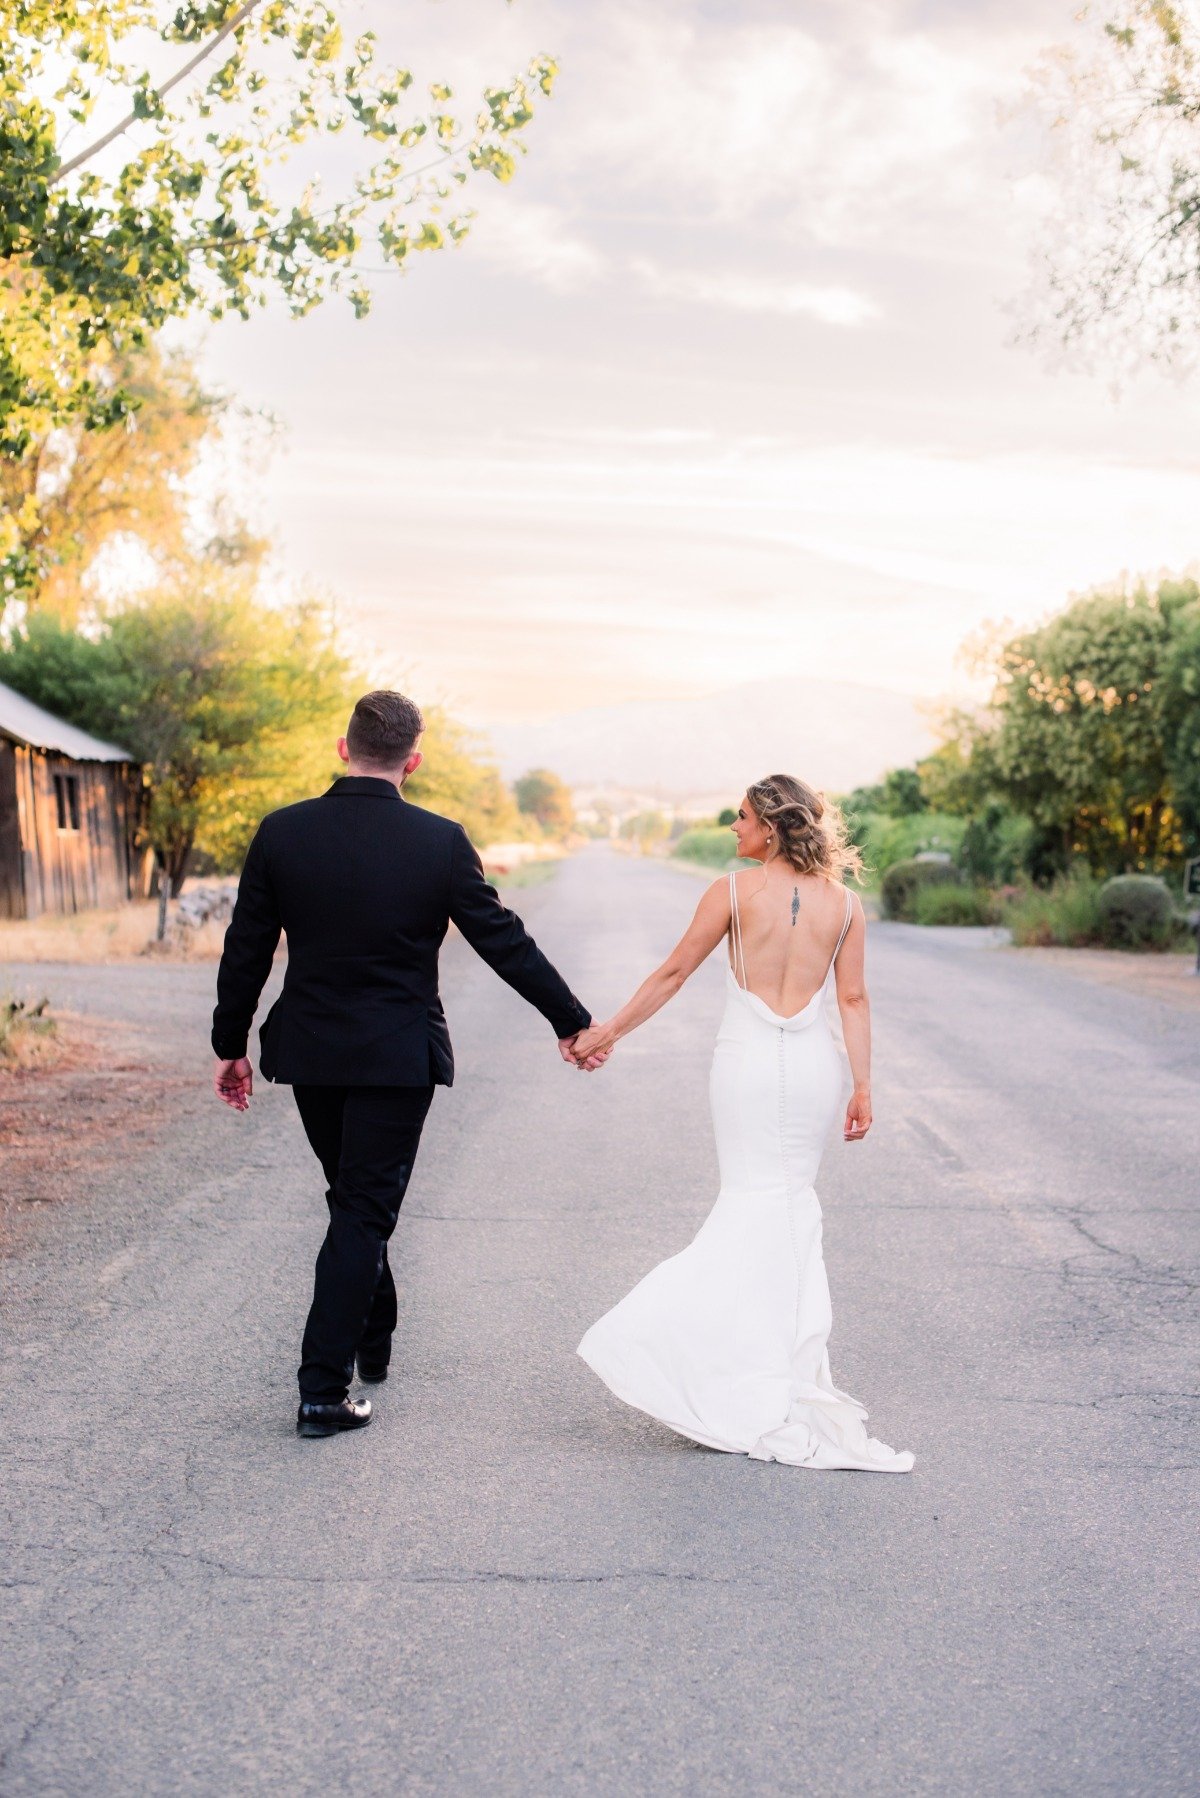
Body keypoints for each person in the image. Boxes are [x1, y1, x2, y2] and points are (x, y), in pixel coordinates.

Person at [211, 690, 605, 1439]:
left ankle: (374, 1326)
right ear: (412, 761)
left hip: (314, 1051)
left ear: (343, 747)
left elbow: (246, 947)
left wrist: (229, 1044)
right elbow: (503, 939)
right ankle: (324, 1392)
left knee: (354, 1199)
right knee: (362, 1206)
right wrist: (573, 1021)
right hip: (397, 1055)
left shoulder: (282, 834)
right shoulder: (439, 840)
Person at [574, 774, 914, 1473]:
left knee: (750, 1201)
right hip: (815, 1070)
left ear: (770, 826)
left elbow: (673, 974)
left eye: (740, 818)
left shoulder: (729, 893)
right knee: (787, 1205)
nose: (733, 830)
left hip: (747, 1068)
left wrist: (608, 1030)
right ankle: (775, 1364)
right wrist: (862, 1085)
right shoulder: (846, 906)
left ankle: (709, 1361)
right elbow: (852, 998)